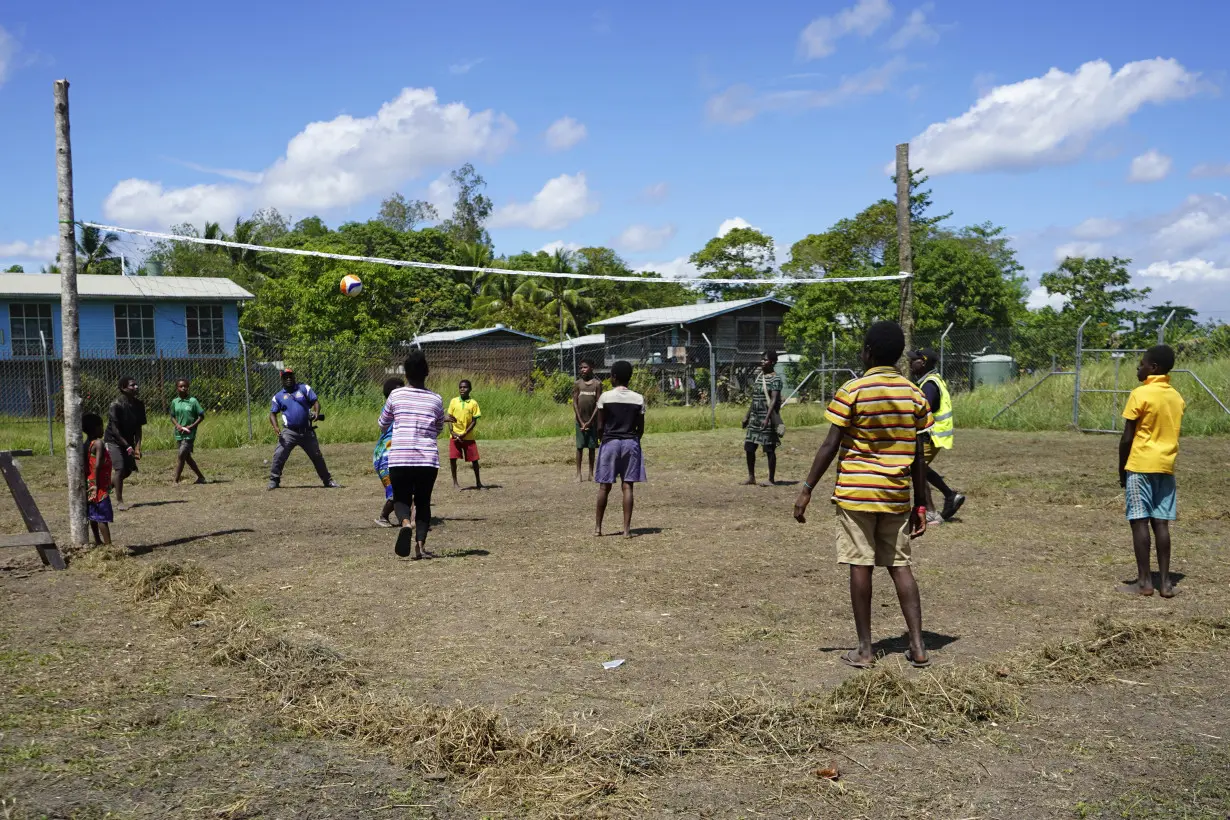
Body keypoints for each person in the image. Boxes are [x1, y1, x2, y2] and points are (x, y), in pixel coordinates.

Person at [793, 321, 932, 670]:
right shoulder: (913, 393)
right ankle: (917, 646)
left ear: (868, 351)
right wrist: (920, 502)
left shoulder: (853, 390)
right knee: (900, 566)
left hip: (856, 494)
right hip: (896, 495)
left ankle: (865, 650)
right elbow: (918, 454)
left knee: (861, 564)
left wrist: (807, 489)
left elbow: (830, 444)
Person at [1118, 344, 1185, 598]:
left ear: (1153, 368)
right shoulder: (1176, 396)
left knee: (1139, 521)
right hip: (1166, 466)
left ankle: (1144, 582)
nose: (1139, 367)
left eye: (1142, 363)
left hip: (1140, 464)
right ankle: (1166, 583)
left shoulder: (1140, 393)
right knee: (1161, 523)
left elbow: (1127, 438)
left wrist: (1122, 469)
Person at [379, 351, 451, 559]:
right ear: (426, 373)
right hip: (427, 460)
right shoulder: (436, 399)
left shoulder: (396, 395)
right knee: (423, 501)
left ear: (406, 374)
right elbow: (438, 428)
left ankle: (404, 523)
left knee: (401, 498)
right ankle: (420, 547)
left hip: (400, 456)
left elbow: (383, 423)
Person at [907, 349, 965, 523]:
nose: (910, 364)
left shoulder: (930, 384)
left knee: (917, 468)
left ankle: (934, 508)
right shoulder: (932, 380)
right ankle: (948, 497)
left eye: (914, 361)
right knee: (920, 469)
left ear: (923, 362)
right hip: (931, 434)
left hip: (930, 435)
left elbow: (924, 409)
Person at [594, 360, 646, 538]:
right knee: (627, 486)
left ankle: (598, 528)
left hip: (610, 443)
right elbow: (641, 428)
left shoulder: (605, 397)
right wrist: (633, 439)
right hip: (631, 442)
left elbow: (600, 426)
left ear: (613, 377)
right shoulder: (638, 398)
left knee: (604, 486)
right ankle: (626, 530)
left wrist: (603, 439)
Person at [267, 368, 340, 490]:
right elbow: (272, 414)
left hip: (307, 431)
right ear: (282, 380)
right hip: (289, 432)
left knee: (317, 456)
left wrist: (317, 412)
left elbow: (315, 402)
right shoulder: (278, 397)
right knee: (279, 454)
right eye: (286, 377)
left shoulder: (304, 388)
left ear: (294, 377)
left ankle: (328, 481)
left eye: (290, 376)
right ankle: (274, 480)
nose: (289, 379)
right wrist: (275, 427)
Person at [104, 376, 146, 511]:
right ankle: (119, 502)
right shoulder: (115, 405)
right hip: (113, 440)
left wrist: (138, 447)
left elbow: (139, 428)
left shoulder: (139, 405)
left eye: (136, 384)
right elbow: (115, 430)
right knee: (120, 468)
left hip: (128, 440)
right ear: (123, 388)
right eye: (132, 385)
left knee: (127, 471)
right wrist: (128, 446)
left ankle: (106, 488)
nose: (136, 387)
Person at [741, 351, 782, 486]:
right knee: (749, 447)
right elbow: (754, 400)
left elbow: (774, 400)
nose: (762, 362)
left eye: (765, 360)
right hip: (755, 418)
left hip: (767, 418)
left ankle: (771, 479)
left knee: (769, 449)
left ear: (773, 362)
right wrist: (747, 416)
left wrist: (767, 418)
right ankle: (751, 477)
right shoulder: (759, 377)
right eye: (762, 360)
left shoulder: (775, 379)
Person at [373, 377, 405, 527]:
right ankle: (383, 517)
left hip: (396, 453)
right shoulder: (391, 407)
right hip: (385, 455)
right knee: (396, 490)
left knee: (404, 489)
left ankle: (404, 519)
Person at [83, 412, 113, 546]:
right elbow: (98, 465)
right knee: (102, 516)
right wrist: (96, 484)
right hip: (98, 484)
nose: (103, 429)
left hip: (90, 482)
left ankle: (98, 540)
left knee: (93, 514)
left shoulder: (86, 444)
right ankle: (108, 545)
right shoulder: (99, 443)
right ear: (95, 428)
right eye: (101, 426)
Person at [169, 378, 207, 485]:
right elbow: (172, 416)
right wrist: (177, 425)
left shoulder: (193, 401)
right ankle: (201, 477)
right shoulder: (174, 402)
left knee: (181, 455)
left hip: (190, 433)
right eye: (181, 386)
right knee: (187, 457)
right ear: (177, 388)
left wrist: (191, 426)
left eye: (185, 386)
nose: (183, 388)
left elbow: (201, 416)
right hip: (179, 433)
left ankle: (175, 480)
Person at [447, 379, 483, 490]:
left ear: (470, 389)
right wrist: (452, 432)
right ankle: (455, 482)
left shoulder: (473, 403)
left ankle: (478, 482)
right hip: (454, 436)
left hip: (468, 436)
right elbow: (449, 418)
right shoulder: (453, 401)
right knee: (453, 459)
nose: (462, 389)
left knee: (474, 460)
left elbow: (474, 421)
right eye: (460, 387)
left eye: (465, 387)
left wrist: (465, 433)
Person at [573, 359, 603, 482]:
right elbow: (574, 403)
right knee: (579, 447)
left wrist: (591, 421)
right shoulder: (577, 384)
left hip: (593, 422)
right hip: (580, 421)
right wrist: (580, 421)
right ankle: (578, 474)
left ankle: (591, 473)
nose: (582, 370)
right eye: (581, 368)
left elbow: (599, 403)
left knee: (591, 447)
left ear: (592, 368)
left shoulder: (597, 384)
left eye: (585, 367)